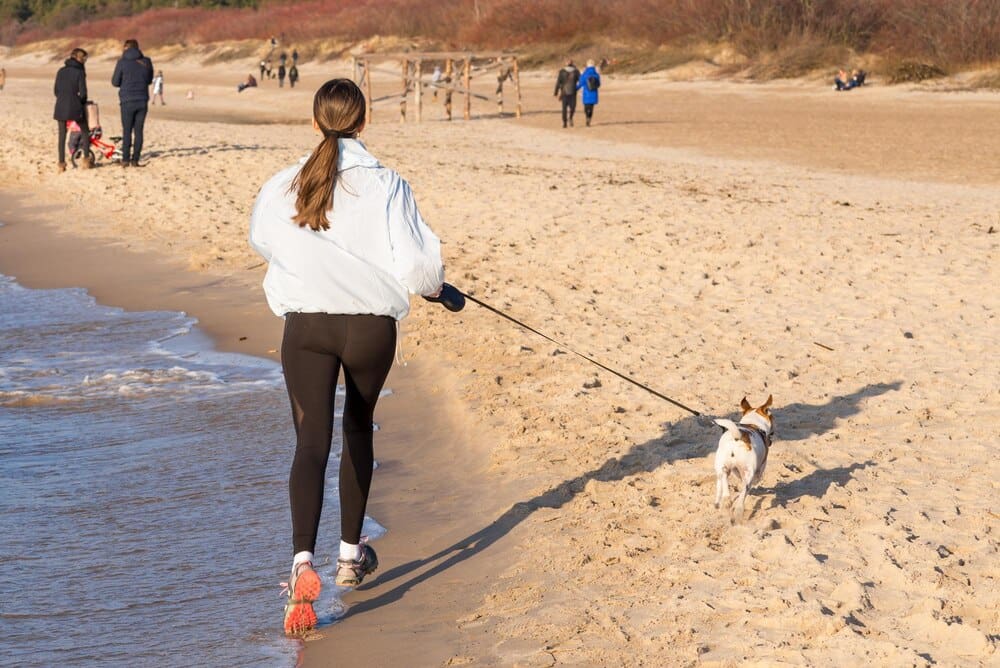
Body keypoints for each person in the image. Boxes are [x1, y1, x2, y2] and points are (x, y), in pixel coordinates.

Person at [249, 78, 446, 636]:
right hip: (368, 329)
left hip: (306, 327)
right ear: (363, 122)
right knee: (359, 428)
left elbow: (262, 239)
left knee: (310, 445)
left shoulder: (284, 183)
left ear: (316, 122)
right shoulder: (388, 184)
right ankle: (348, 557)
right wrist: (438, 290)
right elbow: (416, 265)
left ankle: (300, 566)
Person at [111, 38, 154, 168]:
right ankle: (135, 159)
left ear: (126, 48)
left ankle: (125, 160)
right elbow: (149, 80)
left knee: (127, 131)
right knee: (139, 131)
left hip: (127, 100)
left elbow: (115, 82)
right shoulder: (146, 61)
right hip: (142, 99)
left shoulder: (122, 62)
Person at [53, 47, 92, 172]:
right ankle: (86, 160)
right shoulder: (79, 72)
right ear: (80, 58)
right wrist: (80, 102)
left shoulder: (61, 71)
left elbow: (56, 91)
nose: (85, 60)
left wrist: (63, 99)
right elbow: (84, 93)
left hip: (60, 105)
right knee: (85, 131)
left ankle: (61, 163)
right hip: (75, 105)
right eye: (84, 58)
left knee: (62, 135)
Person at [553, 59, 580, 128]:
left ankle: (566, 121)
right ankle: (567, 120)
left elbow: (558, 82)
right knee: (572, 108)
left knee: (564, 108)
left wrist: (556, 92)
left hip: (564, 92)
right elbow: (580, 81)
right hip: (572, 92)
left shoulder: (562, 71)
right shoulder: (576, 71)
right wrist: (577, 88)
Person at [578, 59, 601, 126]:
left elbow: (580, 83)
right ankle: (589, 119)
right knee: (591, 108)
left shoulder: (585, 74)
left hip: (586, 93)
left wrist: (575, 89)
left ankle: (587, 117)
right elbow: (599, 84)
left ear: (587, 65)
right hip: (593, 93)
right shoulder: (596, 75)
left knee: (586, 107)